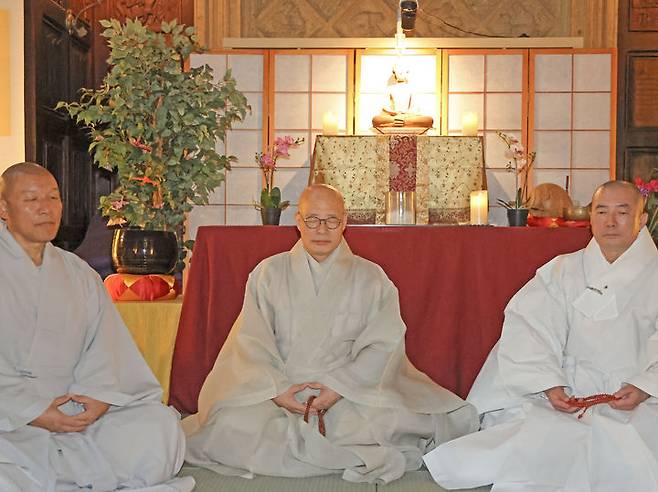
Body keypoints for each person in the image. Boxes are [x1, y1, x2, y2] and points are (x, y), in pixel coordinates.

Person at [183, 183, 476, 483]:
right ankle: (331, 448)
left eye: (331, 220)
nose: (322, 229)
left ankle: (313, 446)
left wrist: (338, 387)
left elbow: (383, 346)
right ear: (298, 222)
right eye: (313, 220)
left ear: (344, 222)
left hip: (347, 394)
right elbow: (251, 341)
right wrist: (277, 390)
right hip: (280, 391)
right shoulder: (268, 273)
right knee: (231, 423)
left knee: (390, 420)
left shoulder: (371, 277)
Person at [424, 180, 658, 491]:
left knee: (627, 456)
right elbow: (530, 328)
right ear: (591, 218)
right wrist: (547, 382)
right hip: (567, 391)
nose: (611, 221)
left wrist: (645, 387)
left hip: (636, 397)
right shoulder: (561, 271)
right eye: (602, 211)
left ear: (642, 220)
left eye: (622, 212)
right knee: (539, 446)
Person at [0, 163, 193, 492]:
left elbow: (106, 348)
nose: (46, 208)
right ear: (4, 208)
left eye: (53, 197)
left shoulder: (79, 273)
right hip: (12, 421)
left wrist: (100, 398)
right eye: (31, 199)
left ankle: (55, 476)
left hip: (76, 415)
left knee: (160, 428)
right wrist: (32, 412)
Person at [372, 63, 434, 130]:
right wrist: (395, 112)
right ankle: (403, 123)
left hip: (408, 116)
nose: (401, 72)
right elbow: (385, 106)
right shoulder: (390, 88)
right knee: (376, 119)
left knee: (428, 119)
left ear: (407, 72)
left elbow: (415, 108)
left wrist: (406, 114)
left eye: (403, 70)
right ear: (394, 72)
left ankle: (398, 123)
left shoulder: (412, 88)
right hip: (394, 116)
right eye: (398, 70)